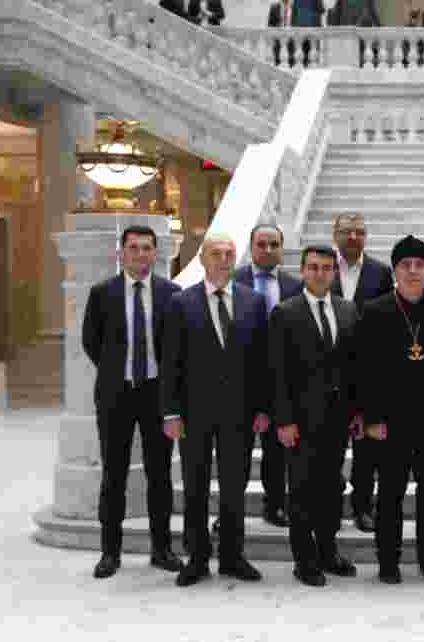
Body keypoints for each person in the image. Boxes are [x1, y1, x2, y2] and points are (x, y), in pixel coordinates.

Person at [161, 234, 269, 587]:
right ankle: (197, 557)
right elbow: (170, 363)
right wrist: (171, 412)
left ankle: (233, 556)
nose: (223, 260)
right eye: (216, 254)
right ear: (203, 259)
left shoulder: (253, 302)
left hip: (239, 414)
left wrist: (263, 408)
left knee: (234, 487)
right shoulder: (181, 303)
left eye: (229, 254)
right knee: (195, 486)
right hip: (194, 414)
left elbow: (261, 362)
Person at [81, 226, 183, 579]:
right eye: (134, 248)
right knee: (114, 475)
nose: (141, 254)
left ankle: (162, 548)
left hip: (157, 395)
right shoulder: (102, 293)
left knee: (160, 476)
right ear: (121, 253)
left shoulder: (172, 294)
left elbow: (177, 349)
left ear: (155, 253)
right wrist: (116, 373)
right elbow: (91, 342)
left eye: (147, 248)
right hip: (116, 396)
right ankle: (110, 552)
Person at [356, 236, 424, 584]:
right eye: (405, 265)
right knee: (390, 494)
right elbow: (364, 369)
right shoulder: (376, 309)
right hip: (389, 422)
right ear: (395, 271)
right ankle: (388, 561)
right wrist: (372, 418)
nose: (413, 271)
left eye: (420, 265)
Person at [271, 245, 360, 587]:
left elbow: (353, 366)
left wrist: (355, 412)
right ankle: (303, 559)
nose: (320, 273)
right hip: (301, 421)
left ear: (334, 272)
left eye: (326, 268)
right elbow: (277, 371)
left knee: (330, 487)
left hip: (338, 420)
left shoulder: (348, 309)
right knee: (303, 490)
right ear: (303, 271)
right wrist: (284, 420)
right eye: (313, 267)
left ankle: (327, 550)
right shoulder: (285, 311)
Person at [232, 224, 303, 529]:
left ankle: (274, 504)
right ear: (251, 246)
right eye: (262, 244)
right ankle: (230, 512)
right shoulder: (233, 281)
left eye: (274, 244)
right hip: (241, 381)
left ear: (282, 247)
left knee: (277, 451)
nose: (268, 250)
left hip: (280, 380)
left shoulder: (294, 285)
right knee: (236, 453)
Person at [330, 213, 394, 534]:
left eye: (359, 232)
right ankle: (329, 504)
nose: (353, 237)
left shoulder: (381, 273)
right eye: (346, 232)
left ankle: (362, 506)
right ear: (335, 234)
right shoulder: (322, 267)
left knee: (367, 450)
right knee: (330, 445)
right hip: (330, 373)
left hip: (368, 373)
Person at [289, 0, 325, 68]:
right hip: (313, 25)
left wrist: (293, 25)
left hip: (299, 26)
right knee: (312, 50)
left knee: (301, 49)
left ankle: (301, 67)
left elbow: (293, 12)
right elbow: (321, 9)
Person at [267, 0, 293, 66]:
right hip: (278, 35)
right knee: (277, 57)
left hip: (291, 35)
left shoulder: (294, 6)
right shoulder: (274, 7)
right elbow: (270, 23)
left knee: (292, 57)